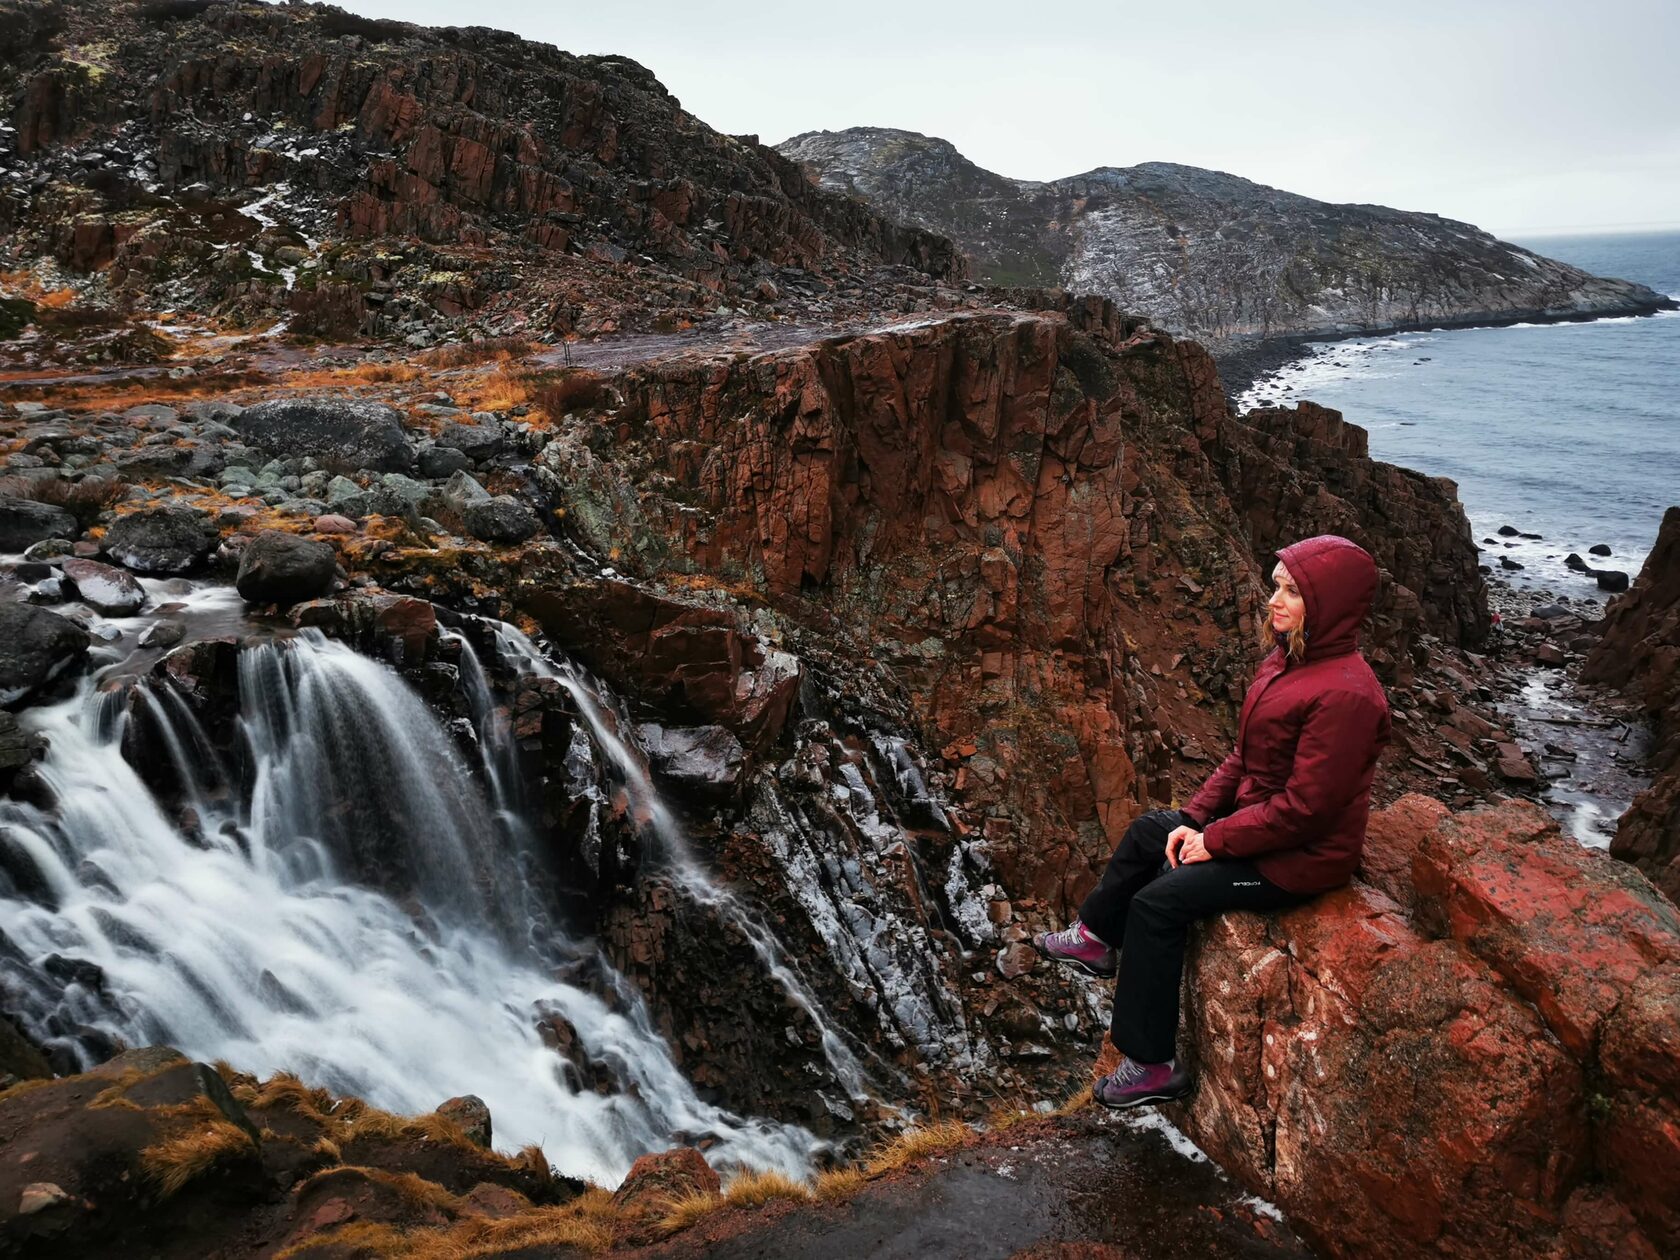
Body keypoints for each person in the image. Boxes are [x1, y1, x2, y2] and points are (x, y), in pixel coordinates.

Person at [1034, 535, 1392, 1108]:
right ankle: (1097, 939)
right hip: (1260, 825)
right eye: (1276, 584)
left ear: (1329, 604)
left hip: (1299, 859)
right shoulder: (1289, 659)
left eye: (1293, 591)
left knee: (1158, 904)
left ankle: (1153, 1065)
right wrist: (1195, 819)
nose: (1274, 599)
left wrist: (1215, 842)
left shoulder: (1347, 696)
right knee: (1153, 831)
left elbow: (1307, 811)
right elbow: (1243, 759)